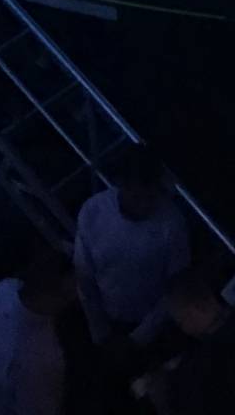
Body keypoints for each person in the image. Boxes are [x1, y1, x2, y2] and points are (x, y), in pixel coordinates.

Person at [74, 145, 190, 348]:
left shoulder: (172, 224)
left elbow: (176, 287)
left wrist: (140, 337)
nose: (144, 205)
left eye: (151, 197)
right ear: (121, 184)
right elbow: (84, 276)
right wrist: (99, 331)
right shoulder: (93, 211)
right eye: (137, 197)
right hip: (105, 319)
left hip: (155, 328)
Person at [138, 266, 235, 415]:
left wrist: (159, 396)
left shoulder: (200, 368)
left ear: (195, 309)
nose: (184, 330)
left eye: (181, 322)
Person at [0, 248, 74, 415]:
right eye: (67, 295)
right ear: (46, 295)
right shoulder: (38, 357)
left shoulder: (2, 290)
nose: (74, 298)